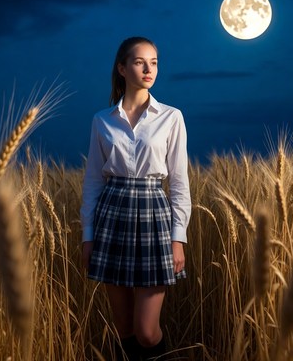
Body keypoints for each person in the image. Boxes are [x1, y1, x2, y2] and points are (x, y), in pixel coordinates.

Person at [80, 37, 191, 361]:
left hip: (154, 216)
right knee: (124, 329)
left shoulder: (171, 117)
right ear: (122, 67)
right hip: (111, 216)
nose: (149, 68)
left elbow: (180, 181)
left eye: (154, 62)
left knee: (146, 331)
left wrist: (178, 237)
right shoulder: (102, 120)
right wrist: (88, 236)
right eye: (141, 62)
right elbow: (93, 181)